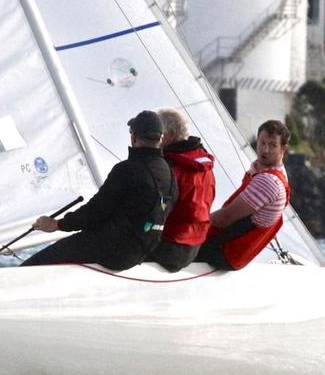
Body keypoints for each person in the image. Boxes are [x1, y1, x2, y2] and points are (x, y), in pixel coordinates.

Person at [21, 110, 177, 271]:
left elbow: (96, 210)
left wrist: (57, 224)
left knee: (37, 263)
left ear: (134, 137)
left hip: (112, 251)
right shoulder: (170, 174)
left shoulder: (127, 170)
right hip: (140, 252)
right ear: (161, 138)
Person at [196, 119, 290, 271]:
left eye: (272, 145)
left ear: (283, 149)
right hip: (231, 251)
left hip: (225, 253)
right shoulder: (268, 172)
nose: (265, 150)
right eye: (262, 142)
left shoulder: (269, 181)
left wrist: (193, 225)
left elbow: (226, 218)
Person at [147, 107, 216, 272]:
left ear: (169, 136)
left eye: (158, 132)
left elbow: (155, 211)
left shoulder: (170, 169)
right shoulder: (205, 165)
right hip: (193, 247)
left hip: (170, 248)